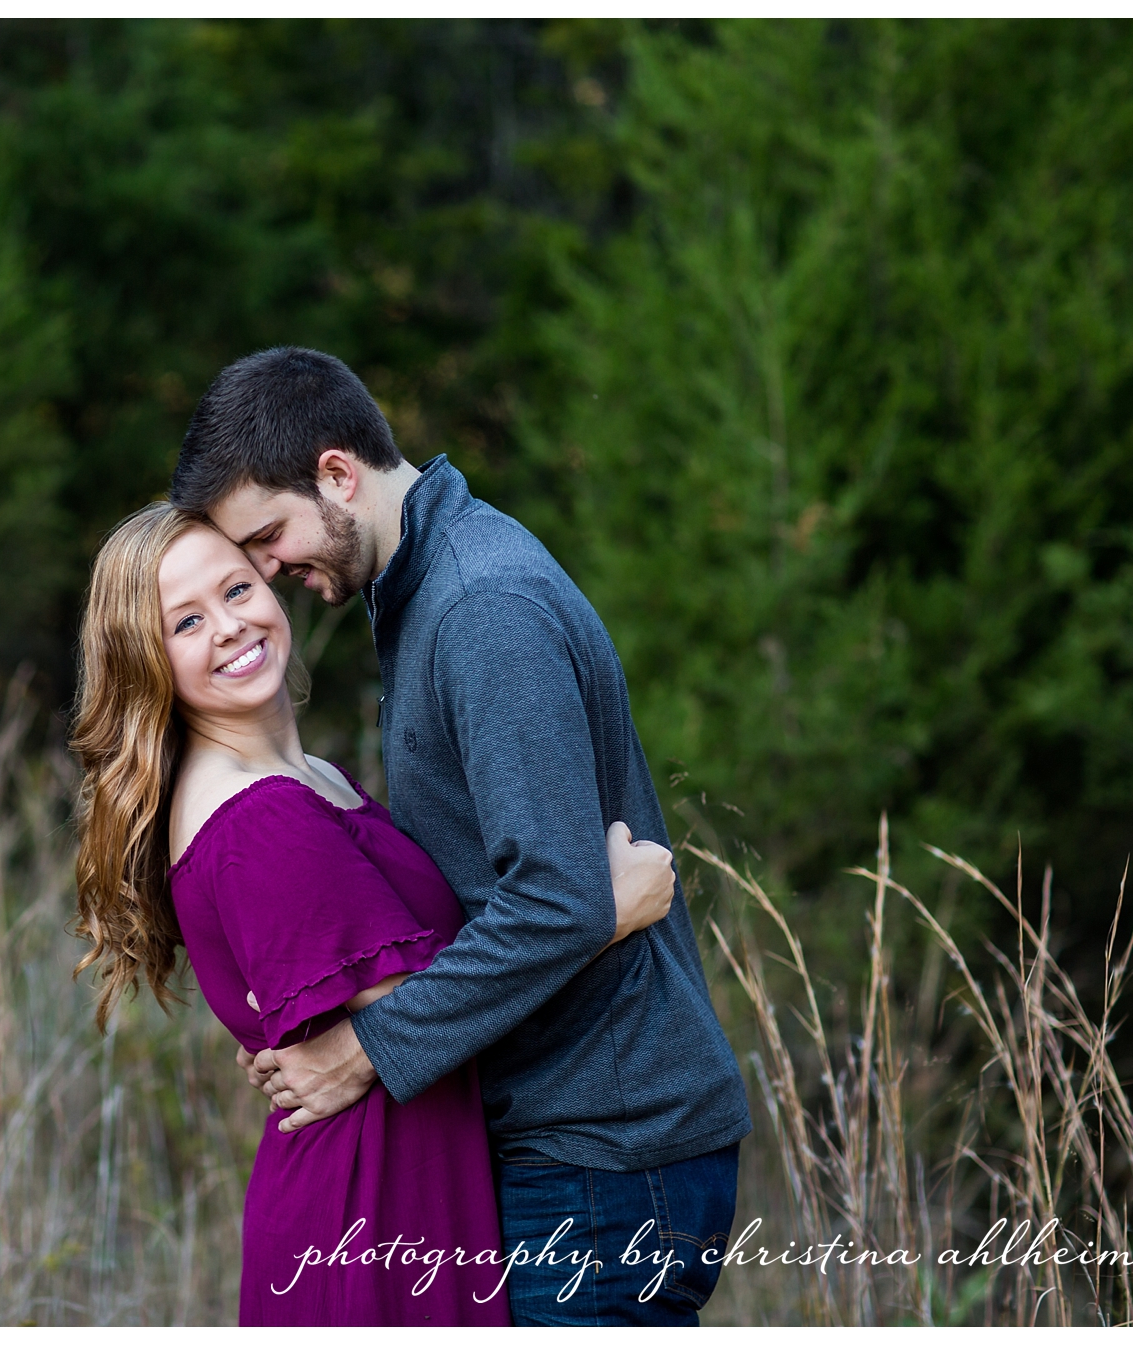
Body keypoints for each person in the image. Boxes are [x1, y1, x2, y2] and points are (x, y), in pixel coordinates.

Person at [168, 346, 754, 1326]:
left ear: (336, 475)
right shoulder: (421, 586)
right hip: (575, 1137)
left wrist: (364, 1046)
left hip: (598, 1154)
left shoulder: (477, 608)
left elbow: (555, 898)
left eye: (266, 538)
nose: (268, 572)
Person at [68, 504, 675, 1325]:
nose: (228, 626)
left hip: (415, 1185)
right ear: (146, 660)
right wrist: (603, 911)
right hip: (366, 1216)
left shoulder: (311, 776)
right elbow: (431, 1010)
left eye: (237, 588)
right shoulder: (253, 820)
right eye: (185, 621)